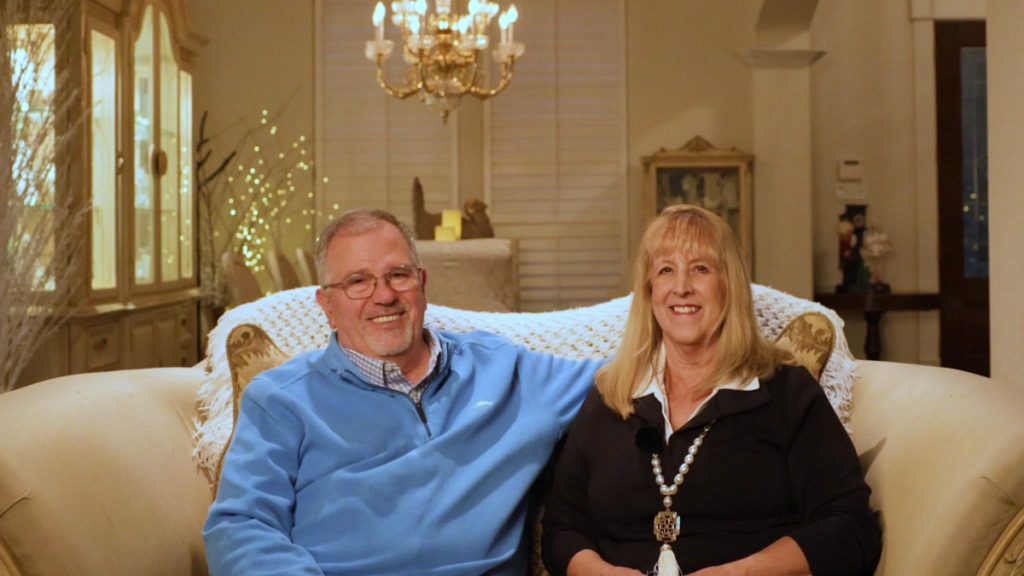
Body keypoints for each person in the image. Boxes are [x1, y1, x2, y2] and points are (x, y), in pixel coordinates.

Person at [203, 209, 603, 576]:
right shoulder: (280, 399)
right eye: (358, 281)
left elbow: (633, 377)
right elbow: (240, 526)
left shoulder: (506, 370)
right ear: (326, 305)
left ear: (422, 283)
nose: (384, 295)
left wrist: (666, 296)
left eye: (399, 274)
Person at [541, 205, 881, 576]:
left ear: (729, 284)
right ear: (649, 289)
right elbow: (563, 526)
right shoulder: (610, 396)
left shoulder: (786, 393)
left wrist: (738, 574)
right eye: (666, 269)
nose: (681, 286)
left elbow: (851, 528)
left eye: (700, 268)